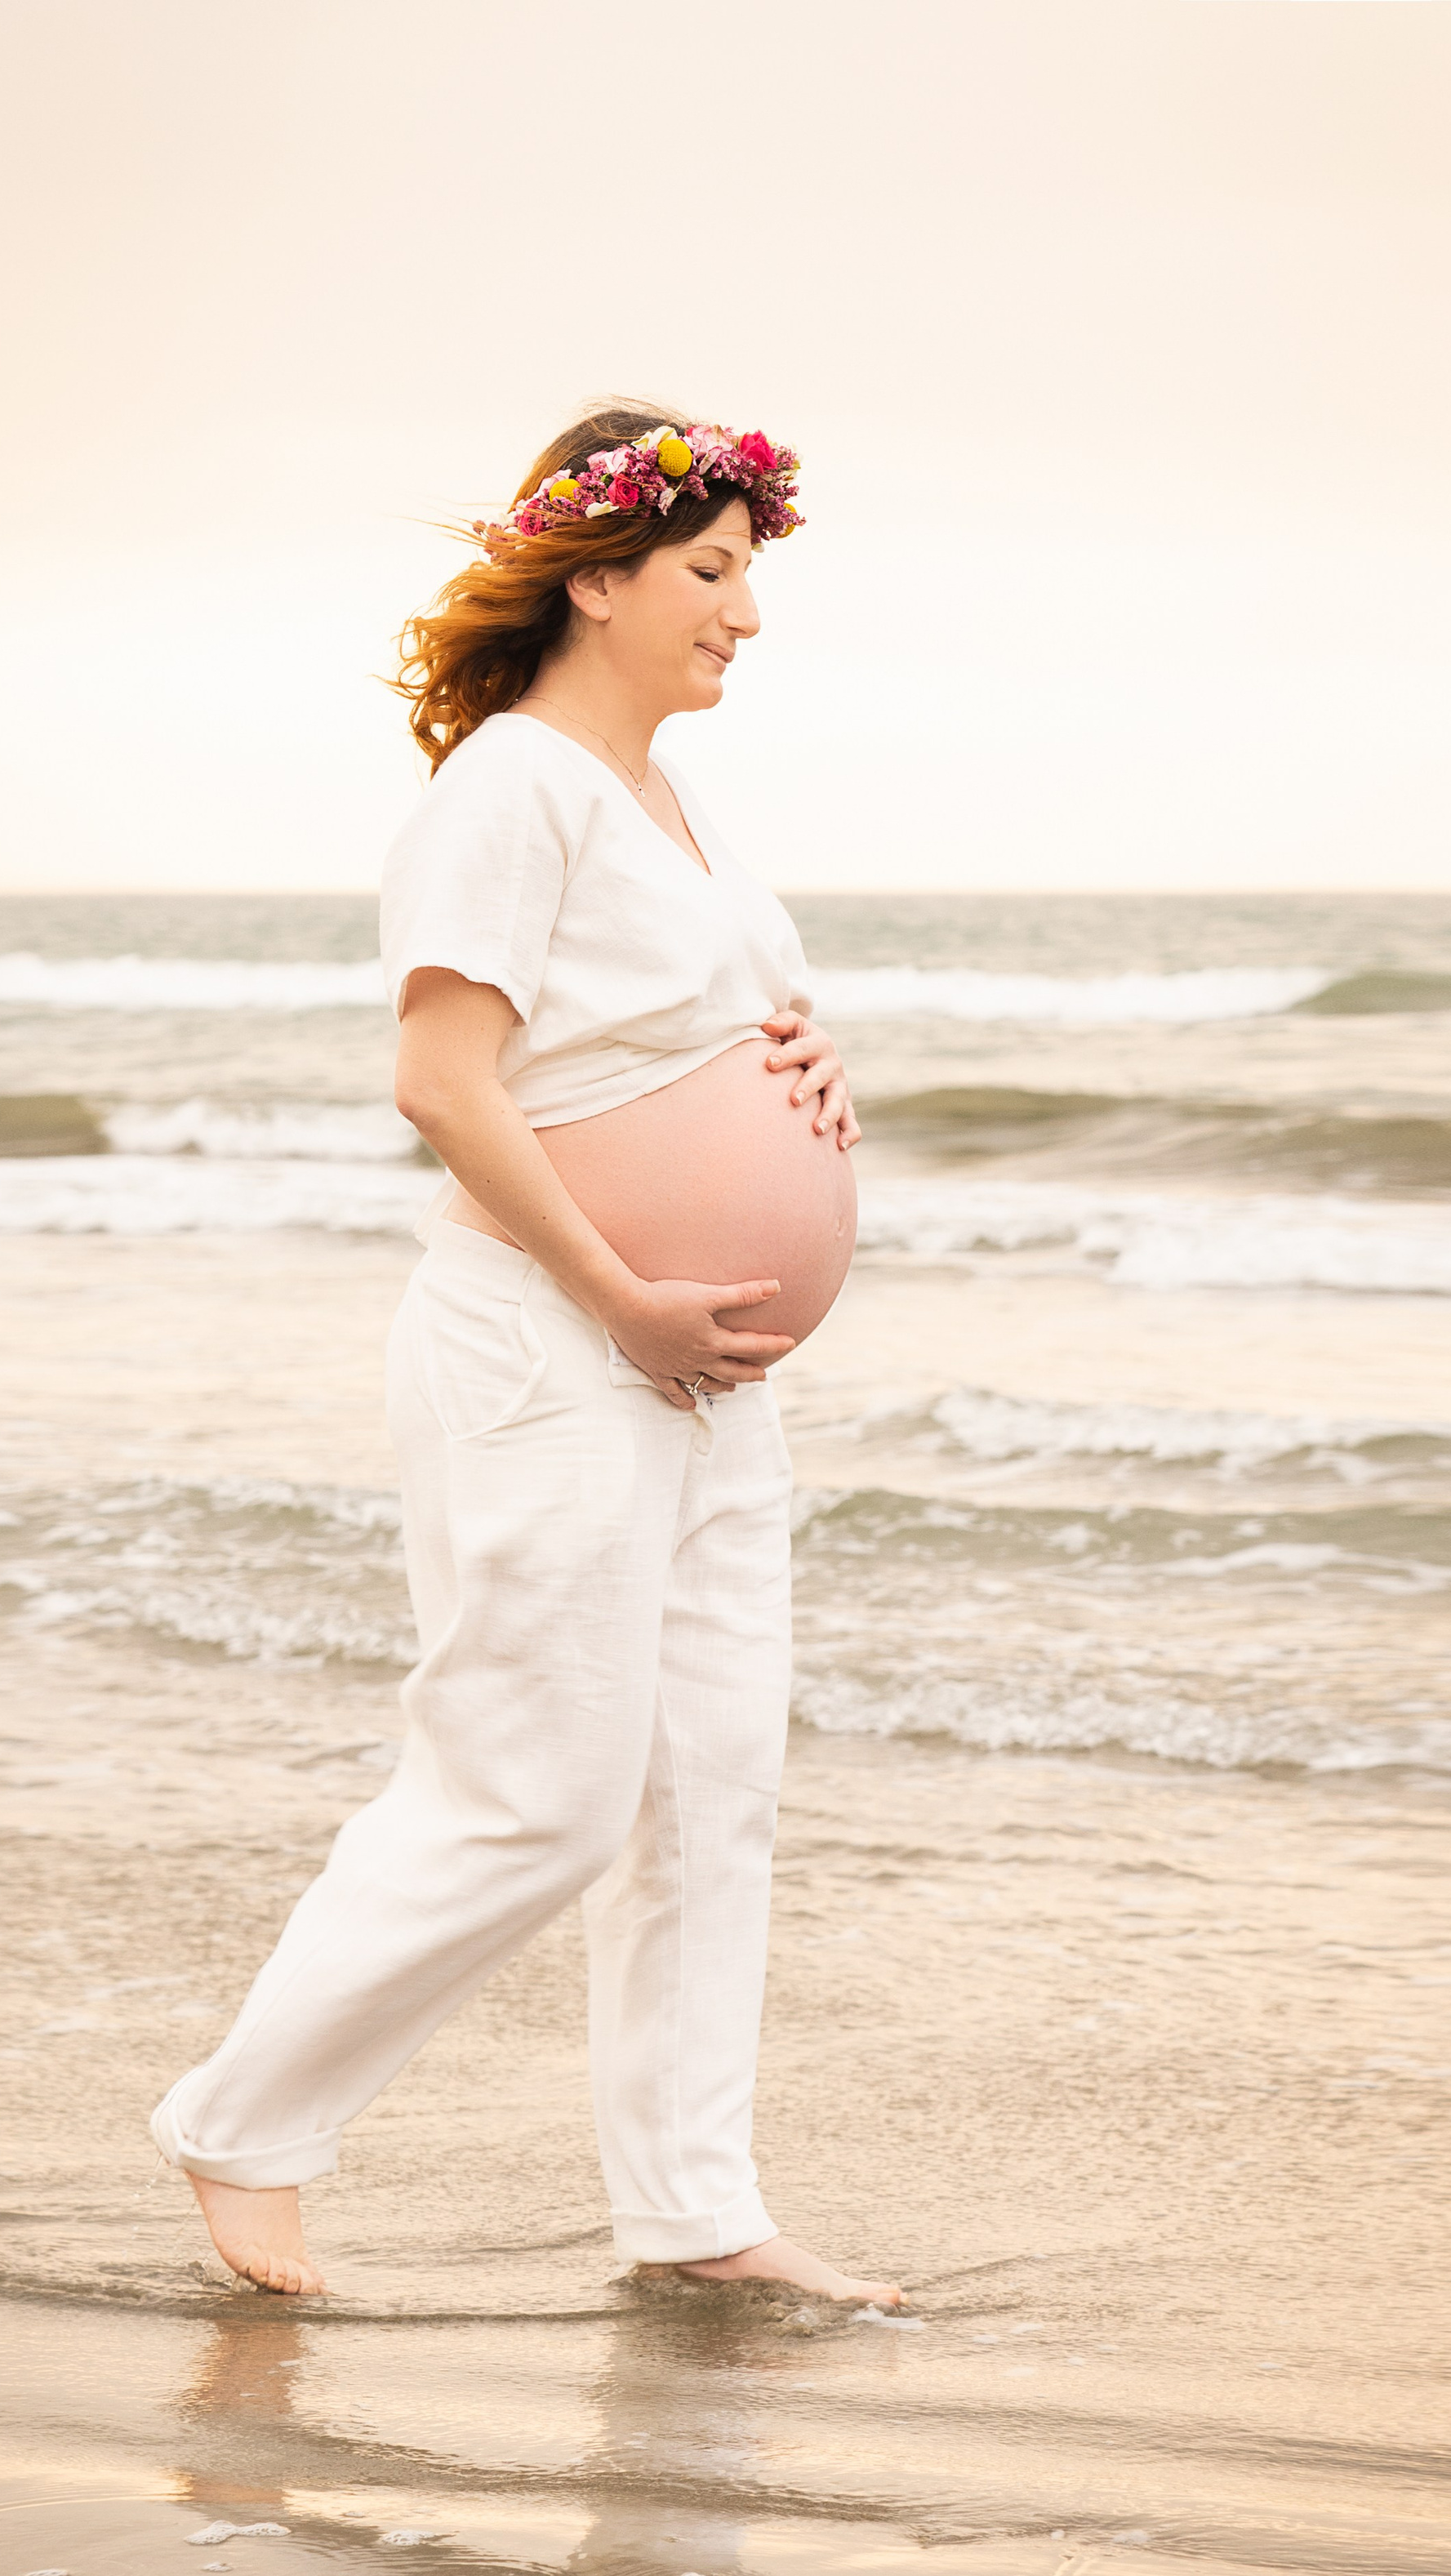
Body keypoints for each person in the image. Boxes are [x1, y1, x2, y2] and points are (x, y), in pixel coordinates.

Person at [151, 406, 899, 2308]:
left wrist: (805, 1070)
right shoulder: (511, 784)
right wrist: (619, 1289)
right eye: (710, 572)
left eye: (752, 572)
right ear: (598, 578)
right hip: (549, 1346)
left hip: (704, 1371)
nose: (746, 614)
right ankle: (245, 2121)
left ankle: (692, 2205)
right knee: (538, 1783)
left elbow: (690, 1033)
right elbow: (440, 1078)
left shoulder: (674, 803)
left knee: (705, 1788)